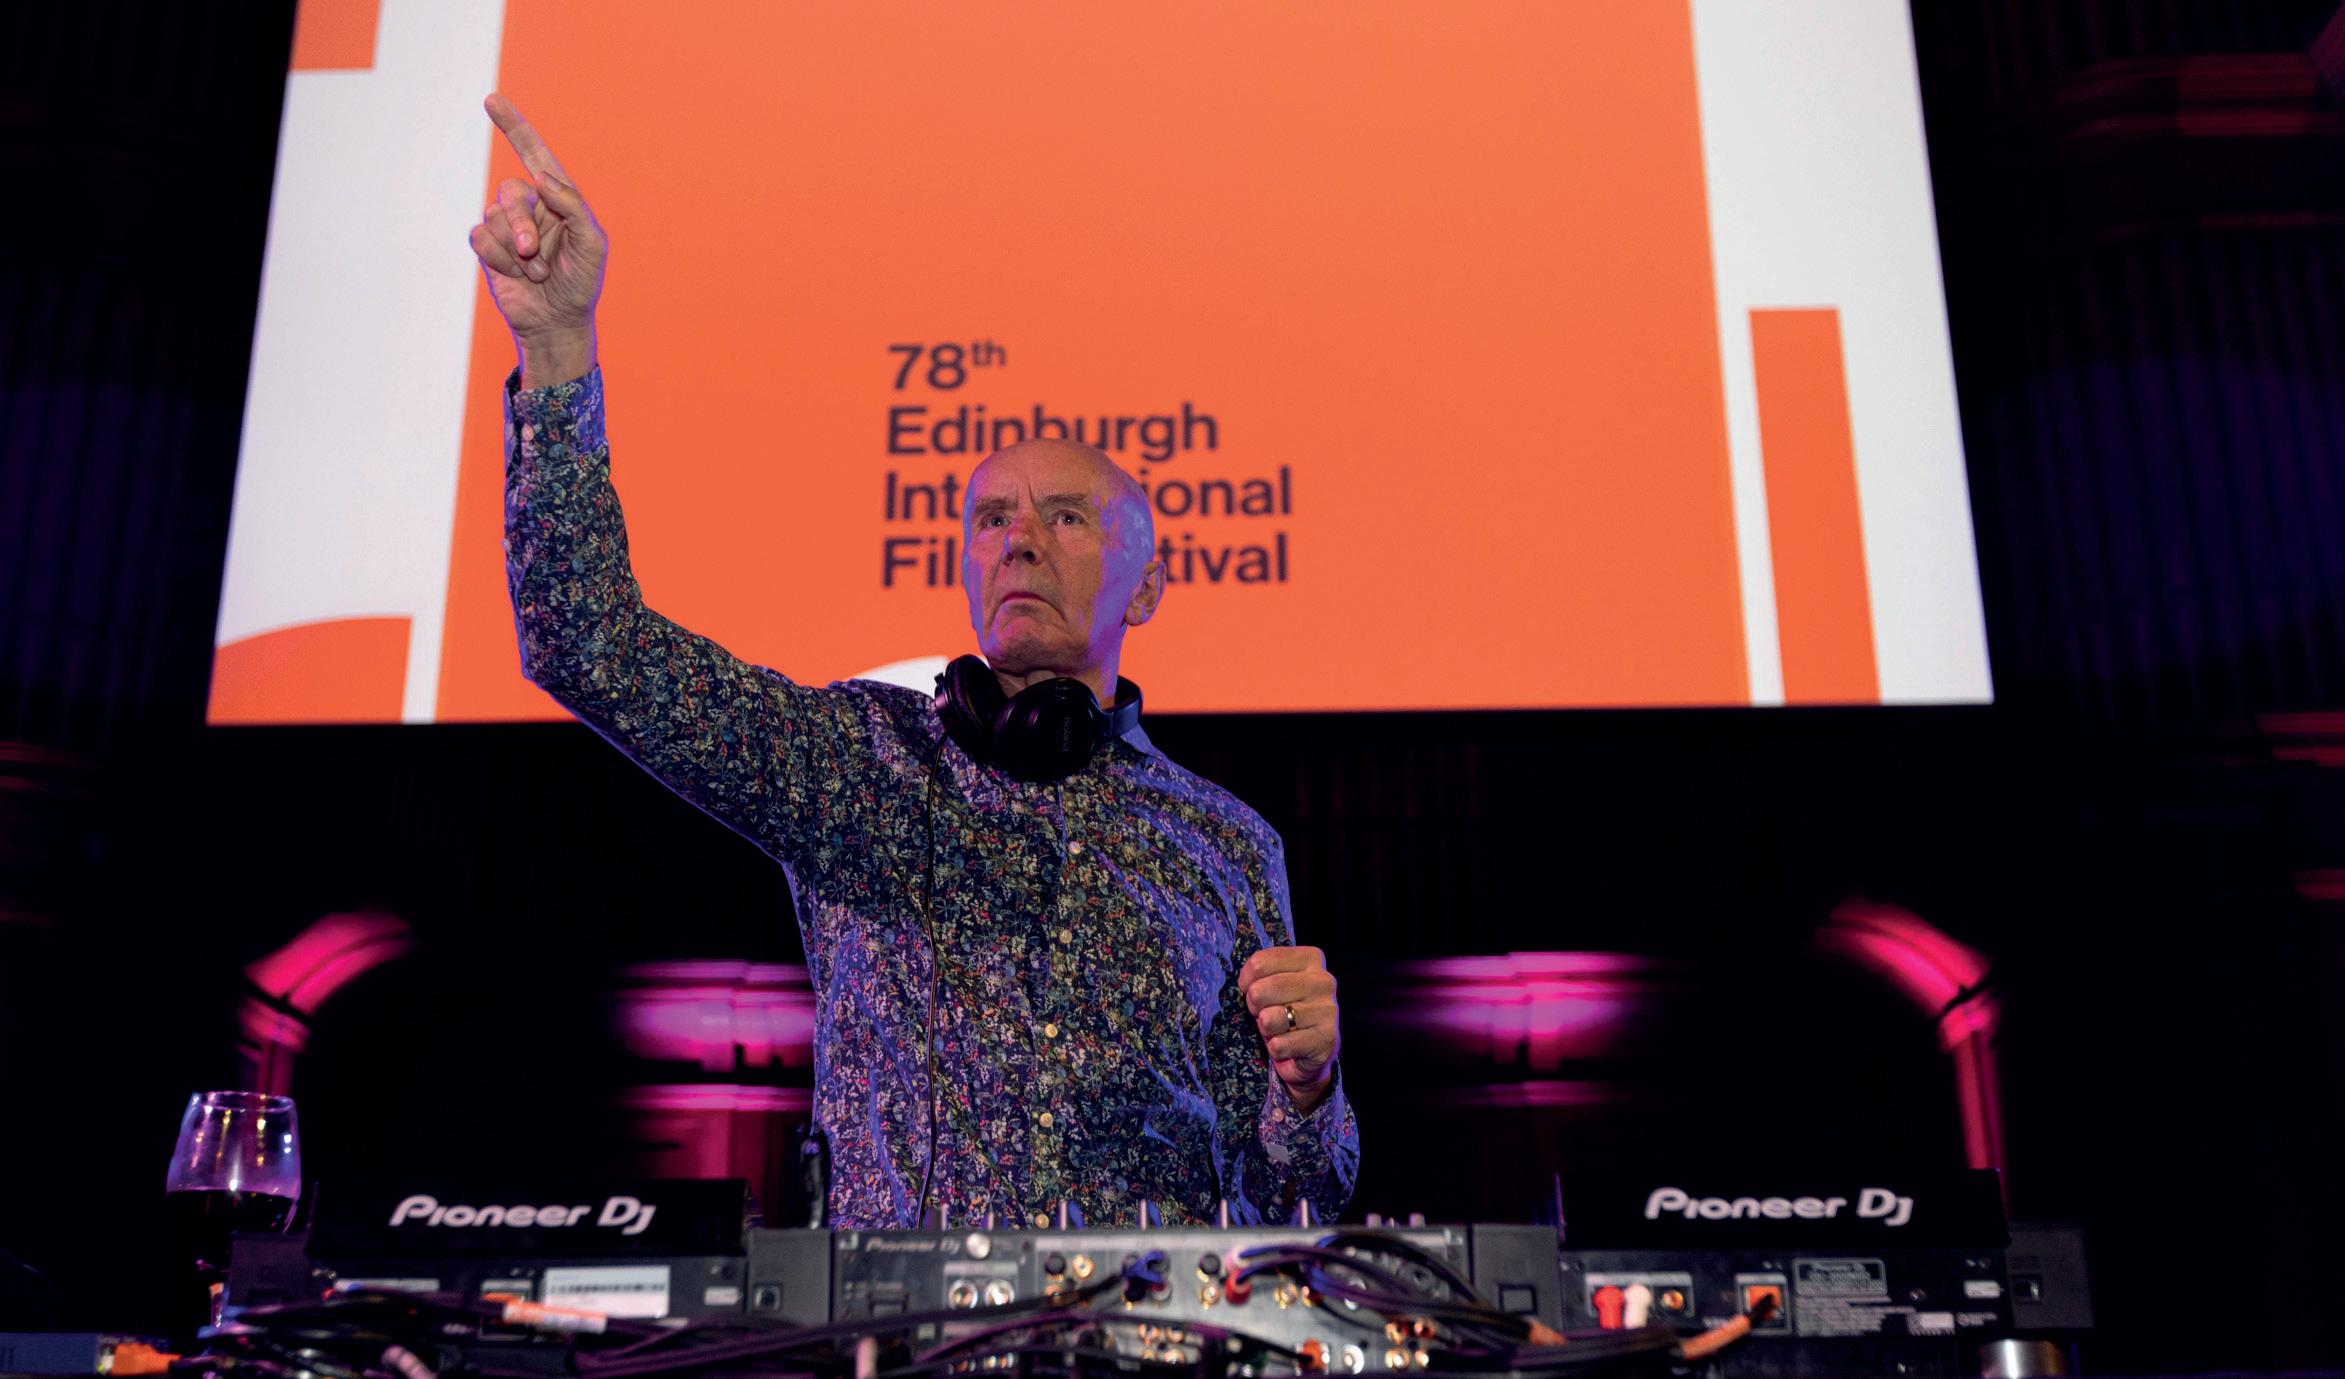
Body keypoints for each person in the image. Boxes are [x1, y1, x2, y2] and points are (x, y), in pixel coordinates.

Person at [468, 94, 1357, 1228]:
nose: (1019, 540)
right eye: (991, 518)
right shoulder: (856, 762)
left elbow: (1292, 1204)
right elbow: (585, 641)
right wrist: (555, 349)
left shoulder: (1225, 844)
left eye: (1066, 517)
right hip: (895, 1317)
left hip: (1138, 1317)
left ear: (1145, 585)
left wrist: (1309, 1091)